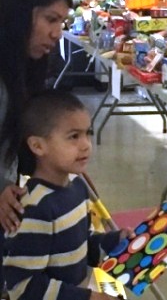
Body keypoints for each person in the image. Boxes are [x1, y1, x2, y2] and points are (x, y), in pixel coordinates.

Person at [3, 90, 127, 299]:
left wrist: (117, 241)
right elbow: (24, 286)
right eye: (73, 136)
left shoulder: (78, 188)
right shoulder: (35, 207)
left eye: (88, 133)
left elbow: (81, 246)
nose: (86, 144)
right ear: (38, 146)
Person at [0, 0, 73, 294]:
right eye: (50, 19)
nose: (57, 33)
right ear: (19, 14)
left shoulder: (23, 66)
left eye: (62, 21)